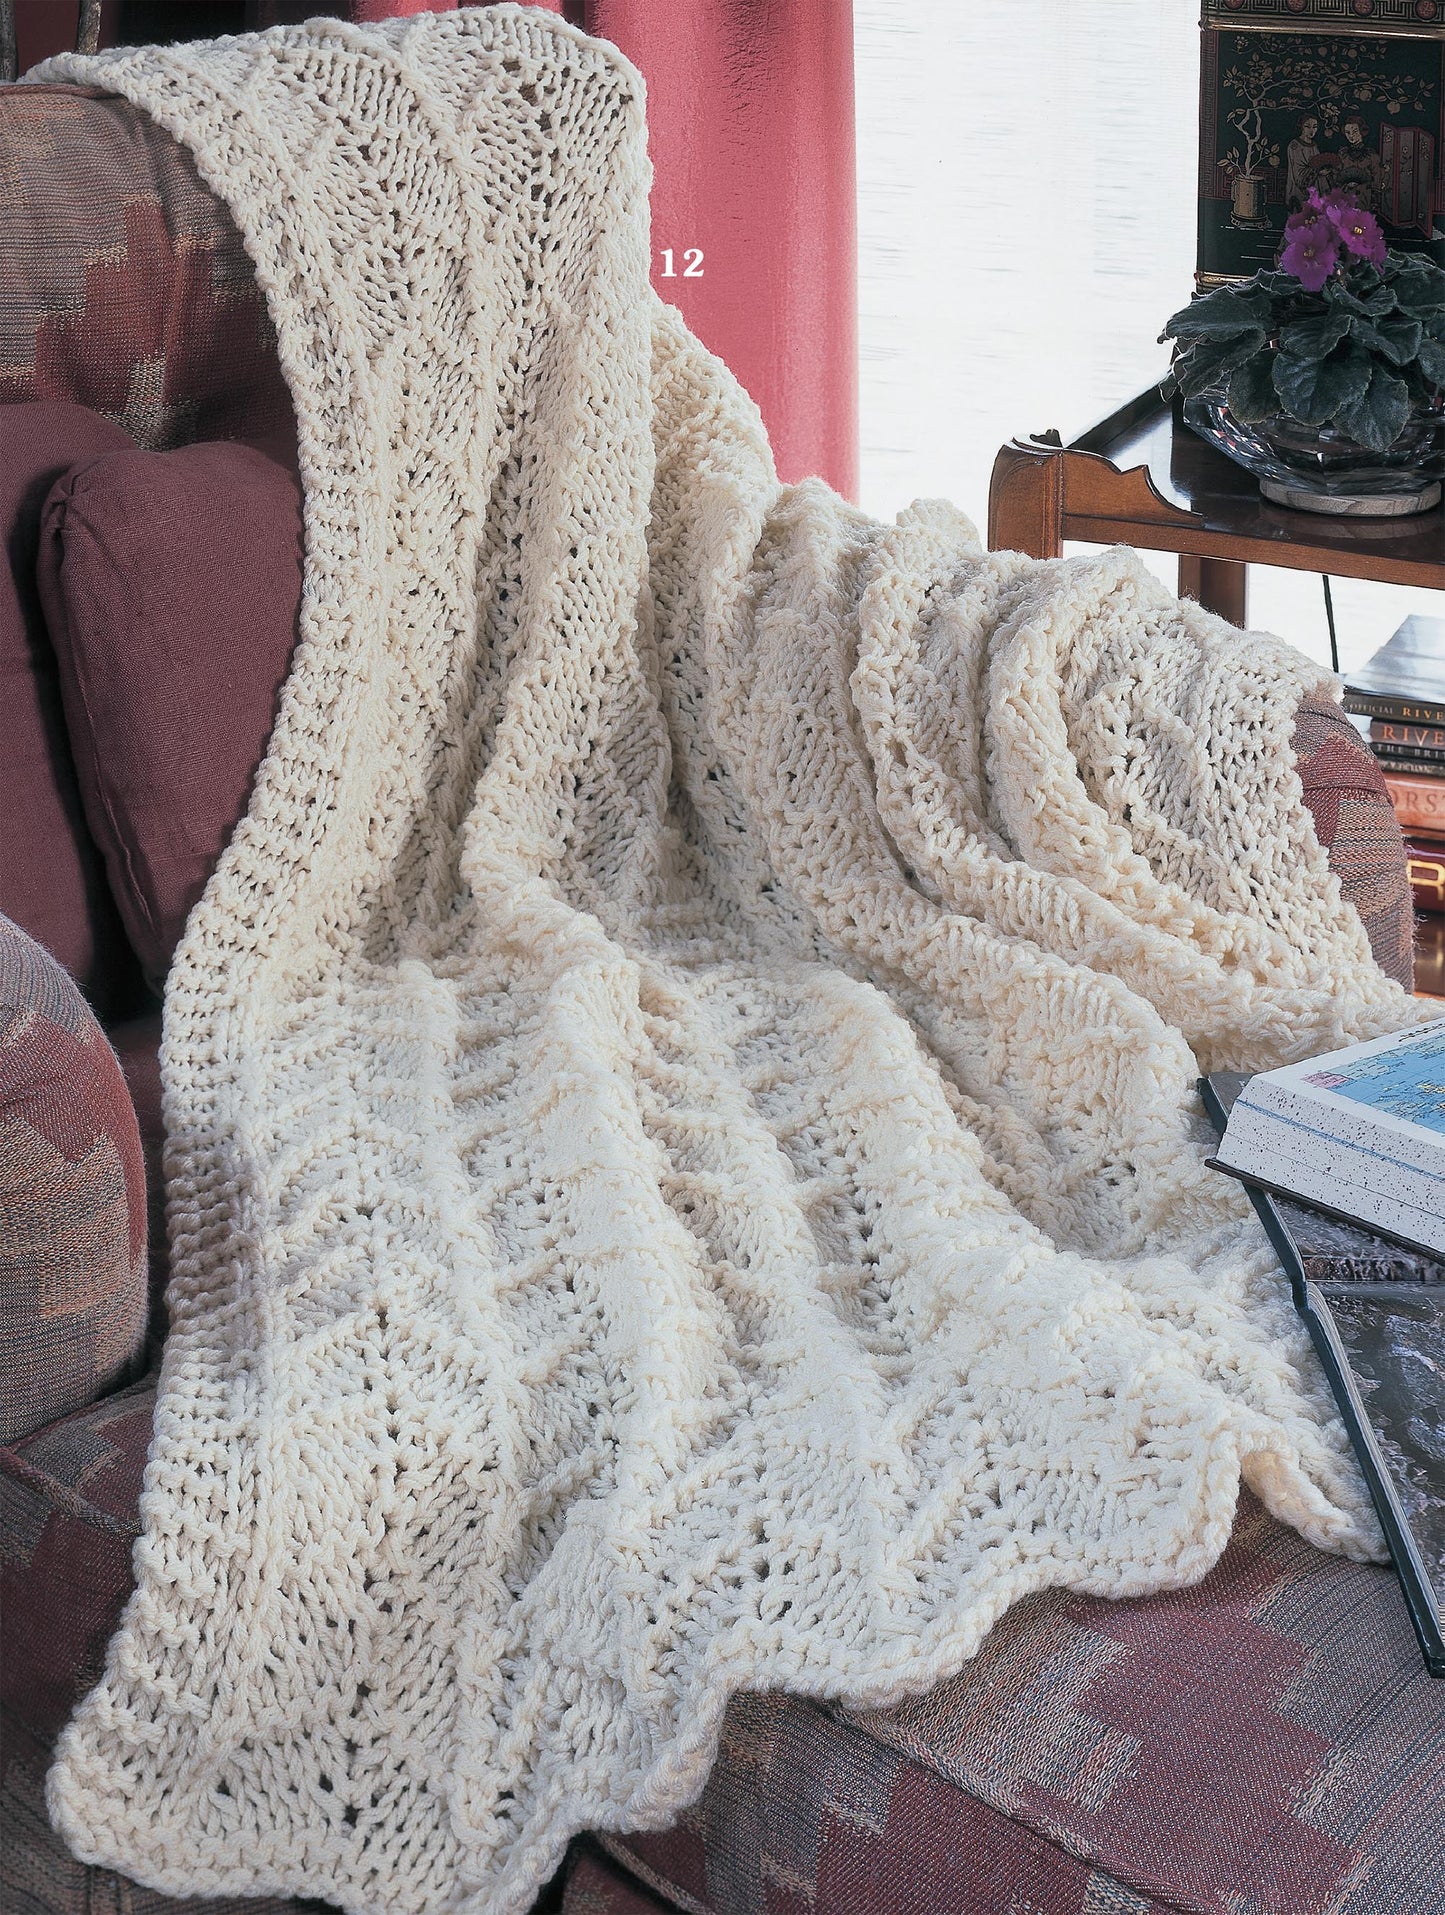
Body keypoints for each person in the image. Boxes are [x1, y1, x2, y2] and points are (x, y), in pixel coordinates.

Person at [1285, 112, 1321, 211]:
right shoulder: (1294, 146)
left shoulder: (1314, 146)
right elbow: (1297, 171)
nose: (1311, 130)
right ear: (1302, 127)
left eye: (1315, 127)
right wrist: (1317, 171)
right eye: (1307, 126)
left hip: (1313, 188)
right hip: (1298, 188)